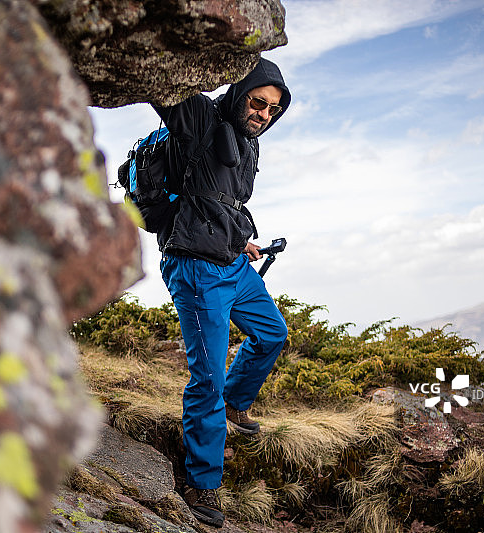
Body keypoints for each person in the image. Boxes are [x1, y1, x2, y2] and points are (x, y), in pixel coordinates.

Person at [151, 57, 291, 528]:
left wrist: (241, 241)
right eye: (258, 102)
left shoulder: (249, 143)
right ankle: (201, 481)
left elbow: (220, 201)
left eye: (273, 109)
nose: (264, 114)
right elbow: (164, 85)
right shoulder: (200, 118)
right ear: (239, 92)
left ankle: (235, 402)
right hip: (196, 269)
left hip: (232, 260)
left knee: (271, 333)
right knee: (206, 379)